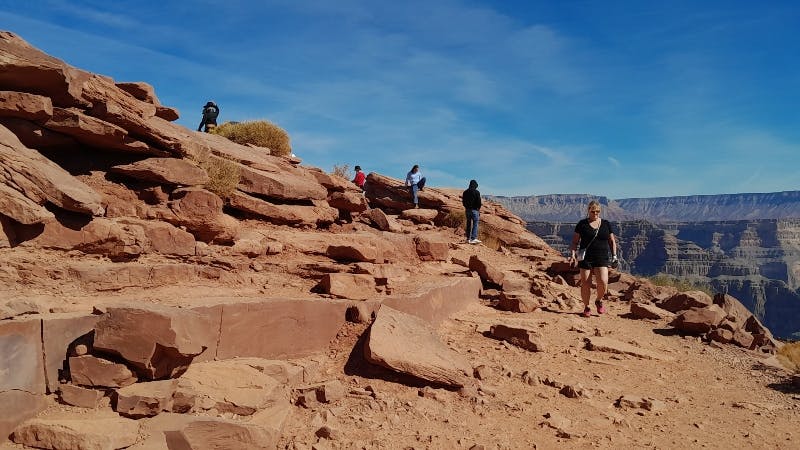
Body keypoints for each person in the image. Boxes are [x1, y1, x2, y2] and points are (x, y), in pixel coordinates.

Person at [568, 200, 618, 318]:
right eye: (593, 211)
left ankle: (598, 300)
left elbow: (612, 241)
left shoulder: (606, 224)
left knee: (603, 282)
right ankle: (587, 307)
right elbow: (575, 242)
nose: (595, 213)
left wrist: (614, 256)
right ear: (588, 210)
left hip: (602, 257)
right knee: (585, 283)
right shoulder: (582, 224)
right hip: (585, 258)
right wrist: (572, 255)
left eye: (598, 211)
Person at [462, 179, 482, 244]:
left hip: (467, 210)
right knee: (475, 223)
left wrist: (466, 207)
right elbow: (479, 202)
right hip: (474, 210)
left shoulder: (465, 192)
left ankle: (468, 238)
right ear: (475, 185)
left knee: (468, 224)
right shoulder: (477, 192)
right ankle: (473, 238)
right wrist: (478, 209)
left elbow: (463, 202)